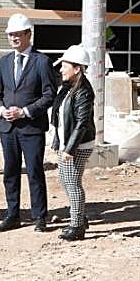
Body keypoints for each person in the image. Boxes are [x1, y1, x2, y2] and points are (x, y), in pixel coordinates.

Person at [0, 13, 58, 232]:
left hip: (31, 127)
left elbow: (49, 95)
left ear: (29, 34)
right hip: (8, 128)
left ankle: (40, 216)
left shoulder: (42, 61)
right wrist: (2, 111)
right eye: (11, 35)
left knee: (34, 172)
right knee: (10, 171)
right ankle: (13, 214)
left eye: (18, 34)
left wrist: (25, 112)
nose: (14, 39)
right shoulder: (5, 62)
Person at [51, 44, 97, 242]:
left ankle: (77, 226)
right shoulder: (68, 88)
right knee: (65, 180)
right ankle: (79, 216)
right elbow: (61, 117)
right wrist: (57, 140)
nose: (61, 69)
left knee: (72, 183)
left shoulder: (83, 92)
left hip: (79, 145)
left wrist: (70, 148)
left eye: (65, 65)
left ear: (77, 68)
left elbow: (82, 123)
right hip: (67, 143)